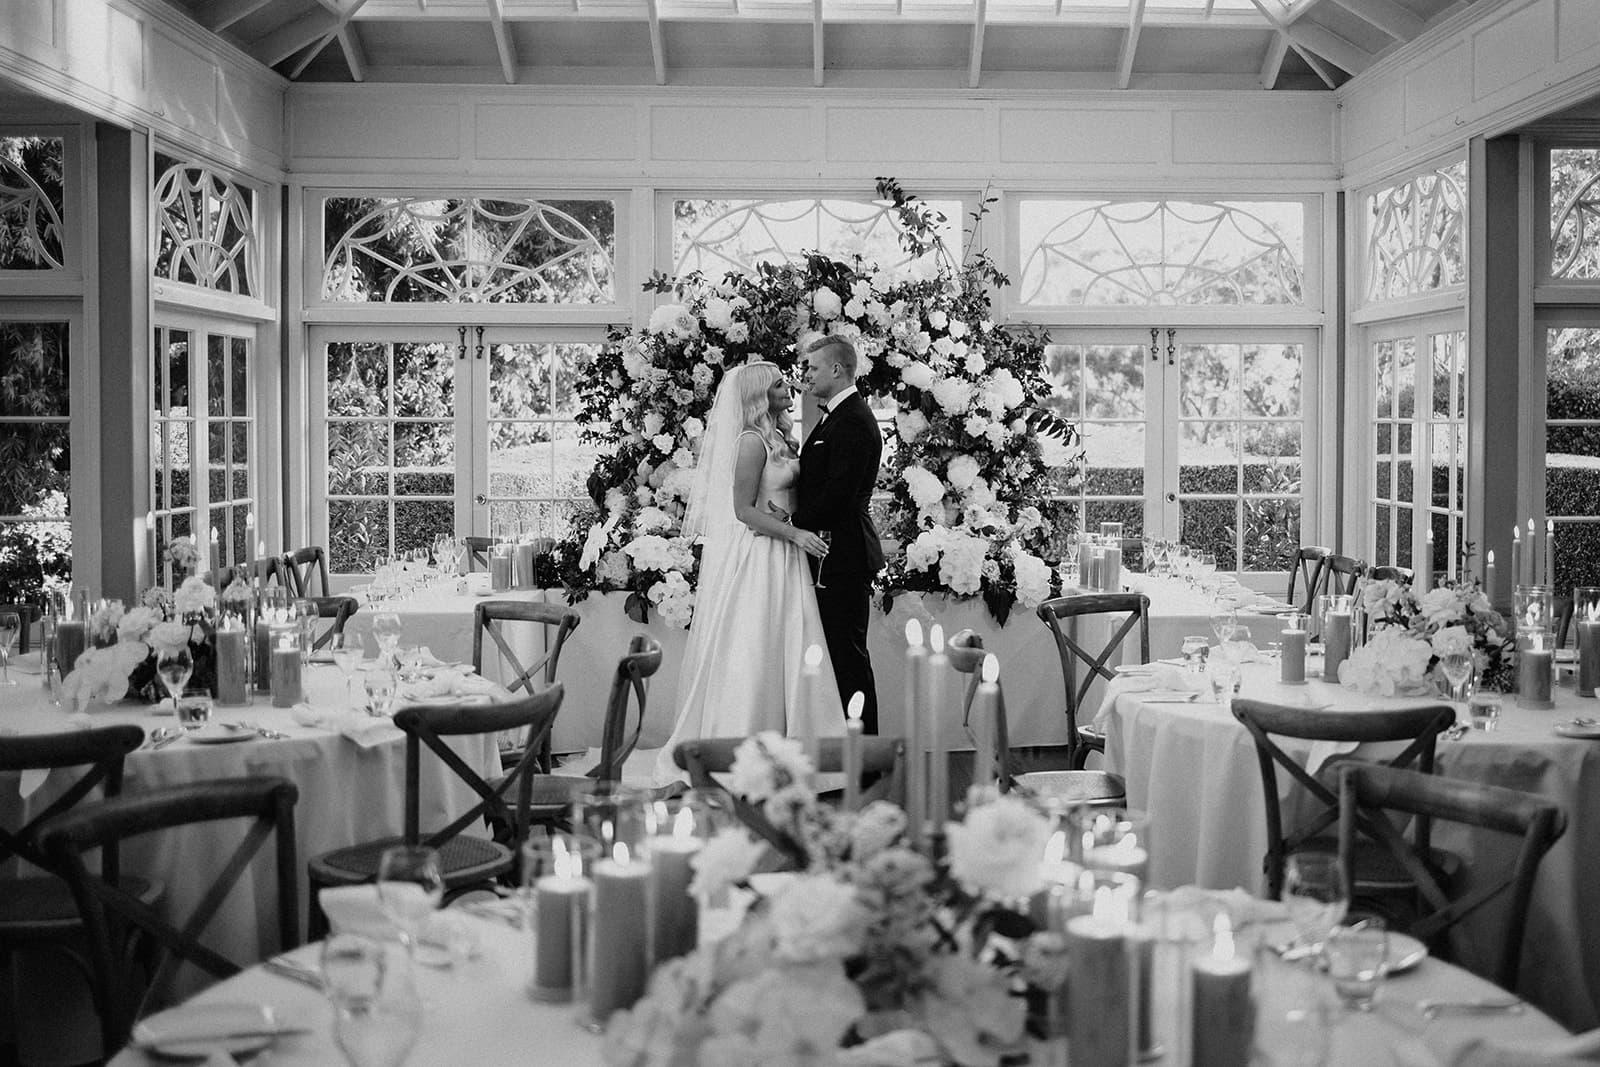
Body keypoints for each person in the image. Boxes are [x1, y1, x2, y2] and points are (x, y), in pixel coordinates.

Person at [652, 360, 841, 785]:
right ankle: (746, 749)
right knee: (758, 647)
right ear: (759, 396)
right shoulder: (751, 441)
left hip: (787, 553)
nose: (789, 388)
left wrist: (796, 526)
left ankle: (797, 748)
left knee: (791, 642)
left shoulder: (781, 437)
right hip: (762, 556)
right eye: (778, 385)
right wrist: (794, 535)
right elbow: (742, 511)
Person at [789, 334, 885, 733]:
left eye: (812, 368)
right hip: (833, 552)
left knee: (848, 659)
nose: (805, 375)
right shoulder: (837, 416)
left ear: (836, 369)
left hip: (842, 555)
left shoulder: (854, 421)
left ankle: (865, 755)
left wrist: (790, 524)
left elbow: (837, 496)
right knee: (838, 656)